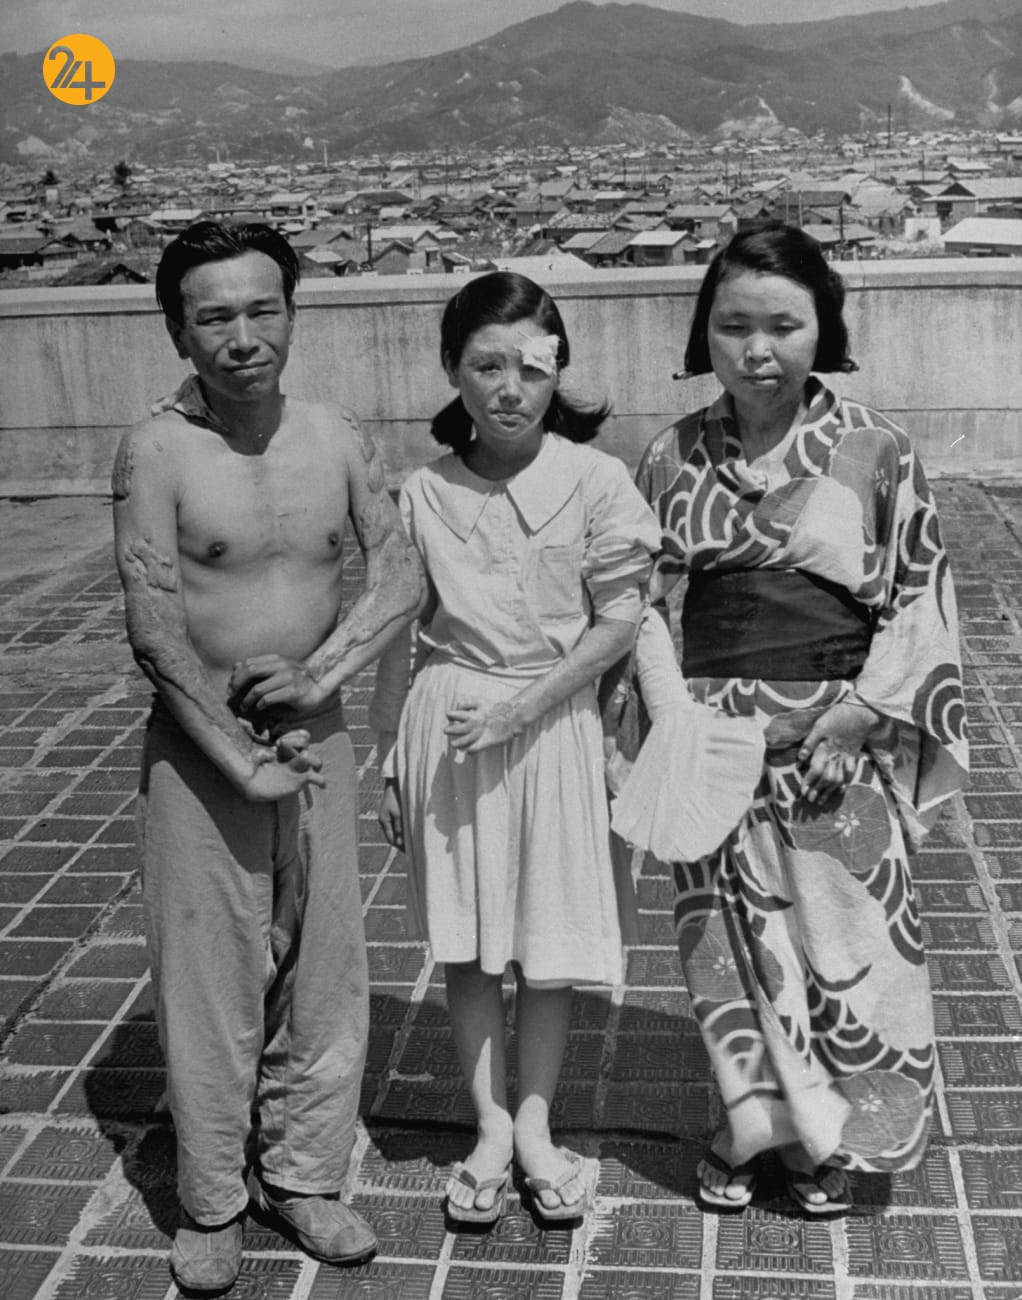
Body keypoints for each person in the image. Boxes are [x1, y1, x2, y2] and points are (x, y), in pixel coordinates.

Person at [626, 222, 967, 1216]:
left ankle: (830, 1141)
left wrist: (855, 718)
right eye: (733, 326)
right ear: (704, 332)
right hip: (710, 742)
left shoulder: (875, 448)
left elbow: (918, 596)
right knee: (725, 954)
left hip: (837, 742)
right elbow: (637, 604)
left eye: (783, 325)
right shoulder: (670, 455)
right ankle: (747, 1127)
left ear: (825, 328)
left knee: (843, 950)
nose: (757, 349)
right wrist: (674, 719)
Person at [112, 220, 424, 1293]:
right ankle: (211, 1199)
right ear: (178, 332)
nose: (242, 337)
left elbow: (397, 575)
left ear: (291, 314)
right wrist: (240, 761)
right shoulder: (156, 451)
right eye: (214, 317)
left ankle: (303, 1176)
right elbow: (156, 631)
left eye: (262, 310)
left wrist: (320, 674)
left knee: (327, 969)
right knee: (210, 979)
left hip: (315, 736)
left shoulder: (334, 434)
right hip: (203, 751)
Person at [373, 271, 661, 1226]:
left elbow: (618, 621)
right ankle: (489, 1125)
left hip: (556, 726)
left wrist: (523, 709)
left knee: (548, 939)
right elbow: (401, 632)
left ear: (558, 371)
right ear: (452, 370)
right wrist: (390, 759)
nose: (509, 390)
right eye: (486, 366)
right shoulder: (424, 492)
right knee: (466, 937)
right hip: (448, 730)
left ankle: (536, 1124)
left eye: (531, 369)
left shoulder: (597, 481)